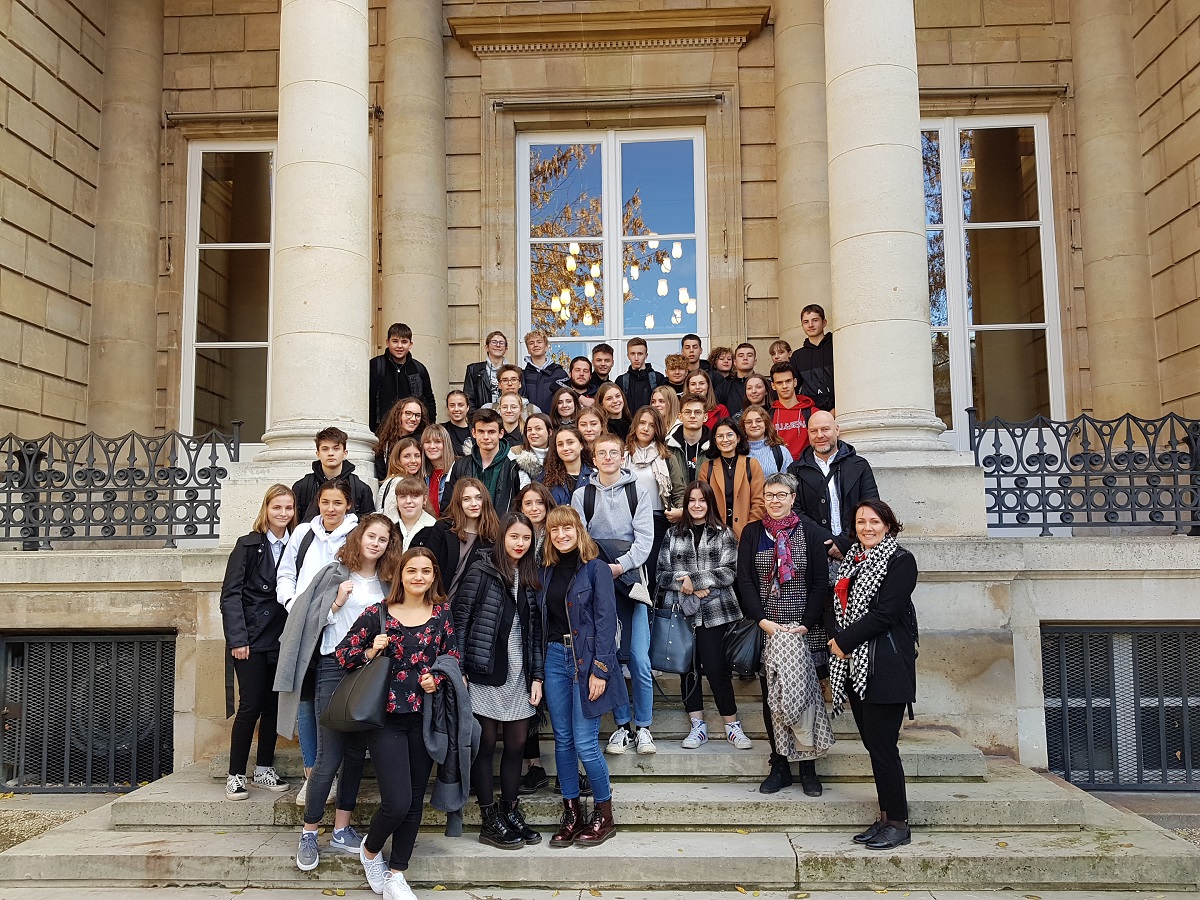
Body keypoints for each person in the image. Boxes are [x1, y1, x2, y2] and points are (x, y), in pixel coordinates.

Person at [277, 513, 402, 873]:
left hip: (371, 670)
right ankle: (309, 832)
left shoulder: (386, 582)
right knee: (328, 758)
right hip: (334, 667)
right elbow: (309, 621)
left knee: (354, 753)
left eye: (383, 539)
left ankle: (342, 829)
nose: (375, 543)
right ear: (360, 537)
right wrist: (334, 604)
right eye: (371, 536)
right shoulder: (335, 573)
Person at [336, 547, 458, 896]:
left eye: (426, 571)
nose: (419, 577)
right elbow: (342, 655)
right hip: (386, 717)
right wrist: (371, 650)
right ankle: (370, 850)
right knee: (397, 801)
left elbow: (452, 658)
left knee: (416, 799)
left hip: (425, 717)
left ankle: (396, 873)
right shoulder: (378, 614)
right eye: (412, 571)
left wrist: (438, 679)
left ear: (434, 576)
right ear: (400, 575)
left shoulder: (441, 614)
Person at [827, 499, 918, 851]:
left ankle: (898, 823)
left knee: (883, 747)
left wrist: (843, 641)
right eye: (861, 521)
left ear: (889, 525)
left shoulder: (900, 561)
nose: (867, 527)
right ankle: (885, 817)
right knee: (874, 746)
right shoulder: (853, 561)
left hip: (886, 668)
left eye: (875, 521)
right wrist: (840, 639)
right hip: (858, 667)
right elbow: (841, 606)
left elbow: (886, 613)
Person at [736, 473, 833, 797]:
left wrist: (805, 622)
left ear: (793, 498)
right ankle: (780, 763)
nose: (775, 500)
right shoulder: (753, 533)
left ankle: (808, 766)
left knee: (804, 695)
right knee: (773, 696)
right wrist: (761, 620)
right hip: (769, 628)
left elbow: (820, 582)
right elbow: (745, 581)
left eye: (782, 495)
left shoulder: (809, 533)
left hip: (804, 628)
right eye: (770, 495)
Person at [538, 505, 627, 847]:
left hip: (588, 662)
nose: (561, 535)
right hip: (555, 659)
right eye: (555, 530)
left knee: (586, 742)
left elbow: (606, 622)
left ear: (579, 530)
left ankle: (605, 816)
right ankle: (572, 813)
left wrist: (601, 669)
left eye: (568, 529)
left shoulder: (596, 569)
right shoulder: (545, 571)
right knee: (563, 740)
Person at [454, 512, 545, 849]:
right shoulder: (482, 569)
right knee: (487, 745)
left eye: (525, 538)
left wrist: (537, 676)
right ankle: (489, 816)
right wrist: (460, 667)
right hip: (484, 670)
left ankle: (511, 811)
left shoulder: (532, 574)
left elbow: (536, 631)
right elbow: (461, 620)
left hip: (520, 672)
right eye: (514, 537)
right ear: (503, 537)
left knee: (518, 744)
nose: (519, 544)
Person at [275, 479, 360, 799]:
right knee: (306, 698)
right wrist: (292, 603)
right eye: (326, 502)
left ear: (348, 504)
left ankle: (332, 770)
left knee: (337, 701)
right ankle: (312, 773)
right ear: (318, 504)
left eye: (338, 503)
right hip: (304, 624)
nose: (331, 509)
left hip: (342, 623)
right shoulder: (303, 533)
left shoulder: (355, 534)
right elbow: (285, 572)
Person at [573, 433, 656, 757]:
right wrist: (599, 572)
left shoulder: (638, 491)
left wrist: (619, 566)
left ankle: (644, 726)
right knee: (610, 654)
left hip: (632, 581)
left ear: (623, 457)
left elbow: (645, 539)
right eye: (601, 453)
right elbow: (580, 539)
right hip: (598, 584)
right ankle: (622, 726)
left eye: (614, 452)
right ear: (593, 459)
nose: (608, 457)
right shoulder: (584, 495)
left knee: (638, 657)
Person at [655, 480, 749, 751]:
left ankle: (732, 724)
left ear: (710, 503)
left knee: (717, 669)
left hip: (716, 613)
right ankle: (697, 726)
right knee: (688, 669)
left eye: (702, 501)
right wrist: (685, 584)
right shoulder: (673, 534)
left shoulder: (724, 533)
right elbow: (662, 574)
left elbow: (729, 571)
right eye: (692, 501)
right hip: (681, 613)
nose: (697, 506)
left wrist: (693, 581)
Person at [221, 484, 296, 801]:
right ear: (266, 509)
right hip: (250, 639)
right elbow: (230, 595)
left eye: (288, 508)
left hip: (282, 637)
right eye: (277, 507)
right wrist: (238, 638)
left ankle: (264, 768)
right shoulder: (248, 545)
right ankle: (235, 774)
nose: (283, 513)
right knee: (250, 705)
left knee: (273, 706)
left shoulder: (297, 546)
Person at [789, 411, 880, 562]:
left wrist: (844, 542)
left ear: (837, 430)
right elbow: (794, 511)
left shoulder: (859, 465)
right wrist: (827, 540)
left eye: (825, 429)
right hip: (815, 551)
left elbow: (871, 506)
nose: (819, 435)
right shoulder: (796, 470)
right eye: (813, 431)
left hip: (857, 549)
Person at [624, 405, 686, 601]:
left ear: (657, 429)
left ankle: (650, 623)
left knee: (650, 576)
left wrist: (679, 511)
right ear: (635, 425)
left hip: (656, 521)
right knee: (629, 576)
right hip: (626, 521)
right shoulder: (623, 455)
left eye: (651, 425)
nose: (645, 428)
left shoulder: (666, 456)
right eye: (642, 423)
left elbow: (679, 491)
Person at [412, 476, 498, 601]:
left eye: (478, 498)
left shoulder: (493, 536)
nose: (474, 504)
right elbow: (429, 565)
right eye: (466, 499)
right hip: (436, 601)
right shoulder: (443, 528)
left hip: (469, 607)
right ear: (459, 502)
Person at [698, 418, 765, 541]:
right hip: (714, 534)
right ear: (715, 440)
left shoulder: (752, 464)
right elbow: (703, 502)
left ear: (738, 438)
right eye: (720, 436)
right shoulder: (707, 468)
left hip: (746, 533)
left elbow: (759, 502)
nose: (725, 440)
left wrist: (749, 530)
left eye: (730, 435)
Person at [443, 408, 520, 516]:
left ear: (501, 433)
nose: (486, 437)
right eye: (481, 431)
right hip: (465, 531)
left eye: (491, 432)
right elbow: (447, 507)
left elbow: (521, 508)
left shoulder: (515, 467)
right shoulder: (459, 466)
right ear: (473, 433)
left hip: (502, 531)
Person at [292, 427, 374, 522]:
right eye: (325, 449)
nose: (330, 453)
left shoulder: (361, 489)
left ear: (345, 453)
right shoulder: (302, 487)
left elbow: (367, 526)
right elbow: (294, 524)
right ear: (318, 454)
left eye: (336, 449)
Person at [369, 322, 436, 433]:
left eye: (404, 342)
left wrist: (427, 429)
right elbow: (369, 401)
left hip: (413, 434)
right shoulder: (376, 365)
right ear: (387, 342)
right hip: (381, 432)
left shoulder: (419, 369)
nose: (399, 346)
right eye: (395, 341)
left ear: (410, 344)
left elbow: (429, 401)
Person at [791, 304, 835, 413]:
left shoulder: (836, 347)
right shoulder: (797, 356)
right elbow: (793, 390)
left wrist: (835, 410)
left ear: (824, 322)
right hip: (810, 413)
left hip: (840, 410)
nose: (810, 325)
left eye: (815, 320)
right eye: (806, 322)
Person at [373, 397, 430, 480]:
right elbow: (382, 473)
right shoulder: (386, 443)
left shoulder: (424, 441)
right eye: (408, 413)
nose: (413, 419)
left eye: (417, 415)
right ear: (398, 414)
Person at [769, 362, 817, 461]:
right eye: (779, 383)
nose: (784, 386)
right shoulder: (768, 416)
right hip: (780, 468)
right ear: (773, 386)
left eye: (788, 381)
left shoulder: (812, 413)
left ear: (795, 382)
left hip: (807, 467)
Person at [541, 425, 594, 505]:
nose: (565, 448)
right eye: (560, 444)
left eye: (570, 443)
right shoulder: (545, 478)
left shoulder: (594, 476)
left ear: (581, 445)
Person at [376, 438, 424, 521]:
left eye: (417, 456)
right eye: (407, 456)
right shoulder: (398, 482)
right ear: (397, 459)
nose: (413, 460)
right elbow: (391, 518)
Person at [666, 394, 712, 483]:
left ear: (705, 417)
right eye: (687, 412)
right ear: (680, 417)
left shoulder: (715, 447)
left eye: (697, 412)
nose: (692, 416)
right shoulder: (668, 447)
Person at [522, 330, 569, 413]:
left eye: (539, 342)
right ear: (528, 350)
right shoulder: (523, 375)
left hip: (554, 422)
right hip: (530, 422)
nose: (535, 345)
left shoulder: (560, 373)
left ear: (546, 347)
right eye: (531, 343)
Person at [741, 404, 794, 477]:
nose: (754, 425)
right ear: (743, 427)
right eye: (749, 422)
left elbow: (791, 483)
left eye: (758, 421)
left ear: (766, 424)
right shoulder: (738, 452)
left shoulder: (781, 452)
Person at [464, 331, 510, 411]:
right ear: (486, 348)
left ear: (506, 349)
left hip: (508, 417)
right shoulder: (474, 370)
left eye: (501, 343)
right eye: (494, 342)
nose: (498, 345)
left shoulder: (514, 371)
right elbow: (469, 399)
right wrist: (476, 420)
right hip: (483, 419)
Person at [615, 336, 663, 412]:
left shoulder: (658, 378)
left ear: (646, 356)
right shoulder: (621, 381)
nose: (636, 358)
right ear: (628, 356)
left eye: (640, 354)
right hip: (629, 423)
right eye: (633, 354)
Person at [420, 423, 457, 517]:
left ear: (446, 444)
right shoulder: (420, 474)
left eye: (437, 442)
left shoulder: (457, 469)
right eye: (427, 442)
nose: (432, 446)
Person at [390, 476, 436, 550]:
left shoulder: (434, 529)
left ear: (424, 499)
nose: (408, 501)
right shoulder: (389, 527)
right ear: (397, 500)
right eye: (403, 496)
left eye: (415, 496)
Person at [510, 412, 551, 488]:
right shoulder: (515, 452)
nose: (533, 433)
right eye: (529, 429)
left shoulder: (558, 454)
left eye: (538, 429)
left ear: (550, 432)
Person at [720, 342, 759, 415]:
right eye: (741, 356)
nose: (745, 358)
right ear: (734, 362)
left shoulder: (765, 385)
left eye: (749, 355)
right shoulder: (723, 387)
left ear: (755, 361)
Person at [440, 390, 472, 457]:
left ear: (467, 407)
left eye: (461, 405)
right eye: (452, 405)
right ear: (447, 408)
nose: (456, 409)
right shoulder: (440, 430)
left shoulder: (476, 430)